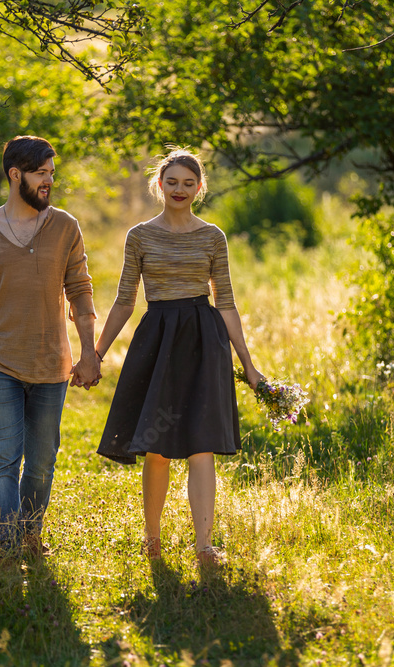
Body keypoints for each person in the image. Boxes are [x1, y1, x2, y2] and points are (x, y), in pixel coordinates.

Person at [93, 146, 264, 567]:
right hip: (158, 340)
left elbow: (226, 302)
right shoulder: (140, 236)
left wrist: (248, 363)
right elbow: (124, 300)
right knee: (157, 445)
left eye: (189, 183)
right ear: (159, 185)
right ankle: (153, 538)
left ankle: (204, 546)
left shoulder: (212, 237)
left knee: (202, 445)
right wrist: (96, 352)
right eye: (172, 182)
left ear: (200, 188)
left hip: (205, 341)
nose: (180, 189)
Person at [0, 135, 101, 563]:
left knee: (39, 465)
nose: (49, 181)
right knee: (3, 461)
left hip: (52, 363)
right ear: (16, 175)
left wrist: (89, 352)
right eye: (41, 174)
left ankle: (30, 536)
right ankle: (10, 552)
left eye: (52, 173)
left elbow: (81, 293)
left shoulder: (66, 227)